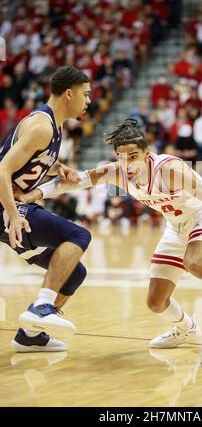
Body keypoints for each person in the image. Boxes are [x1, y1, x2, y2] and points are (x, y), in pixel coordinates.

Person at [20, 119, 202, 349]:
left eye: (133, 156)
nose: (127, 163)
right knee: (155, 302)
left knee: (195, 262)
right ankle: (186, 328)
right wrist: (35, 194)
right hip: (175, 227)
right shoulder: (117, 173)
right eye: (121, 157)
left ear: (147, 154)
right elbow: (74, 181)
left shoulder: (171, 171)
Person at [0, 66, 92, 352]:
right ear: (68, 94)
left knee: (74, 273)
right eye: (85, 94)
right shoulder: (42, 125)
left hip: (9, 207)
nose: (88, 101)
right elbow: (2, 168)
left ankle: (30, 334)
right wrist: (13, 215)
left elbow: (35, 159)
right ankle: (42, 306)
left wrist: (59, 167)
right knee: (78, 236)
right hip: (4, 208)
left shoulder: (56, 125)